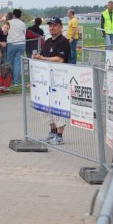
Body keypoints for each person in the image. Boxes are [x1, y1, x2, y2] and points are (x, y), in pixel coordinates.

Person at [32, 17, 71, 146]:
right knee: (45, 107)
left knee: (58, 108)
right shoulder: (48, 41)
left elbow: (60, 59)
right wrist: (37, 57)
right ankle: (53, 132)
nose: (51, 28)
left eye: (54, 25)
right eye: (50, 25)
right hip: (46, 80)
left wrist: (43, 58)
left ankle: (60, 136)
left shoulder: (63, 41)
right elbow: (43, 56)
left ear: (61, 27)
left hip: (59, 80)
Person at [6, 9, 26, 86]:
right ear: (20, 16)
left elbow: (5, 32)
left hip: (11, 43)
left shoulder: (8, 22)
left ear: (13, 15)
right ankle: (16, 82)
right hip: (21, 44)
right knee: (18, 63)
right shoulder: (23, 24)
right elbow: (24, 33)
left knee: (9, 63)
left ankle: (8, 80)